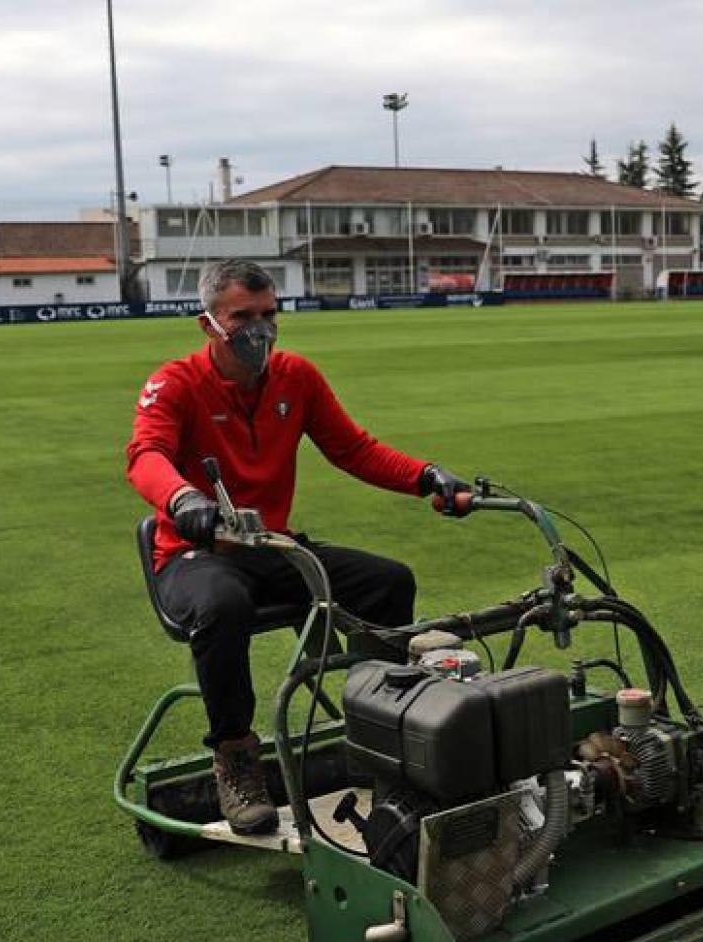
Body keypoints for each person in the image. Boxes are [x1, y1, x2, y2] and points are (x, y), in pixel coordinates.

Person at [125, 260, 471, 835]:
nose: (259, 330)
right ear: (209, 323)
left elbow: (353, 449)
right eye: (243, 318)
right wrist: (185, 501)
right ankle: (236, 760)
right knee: (221, 606)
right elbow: (146, 455)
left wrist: (426, 475)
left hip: (272, 547)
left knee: (389, 581)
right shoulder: (176, 383)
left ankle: (382, 731)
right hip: (196, 555)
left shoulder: (296, 377)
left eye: (268, 316)